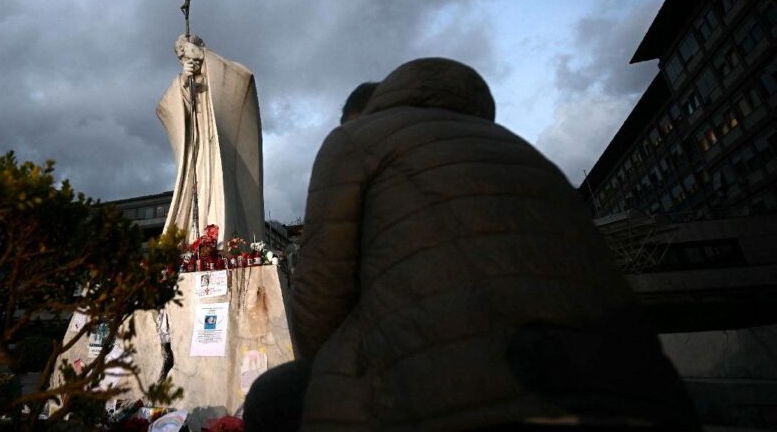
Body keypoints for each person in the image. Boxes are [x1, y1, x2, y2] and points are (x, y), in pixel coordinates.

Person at [256, 58, 698, 431]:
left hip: (462, 391)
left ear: (361, 114)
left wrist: (334, 370)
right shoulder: (525, 150)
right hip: (644, 392)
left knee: (274, 397)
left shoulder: (355, 139)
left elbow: (320, 294)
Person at [157, 33, 264, 244]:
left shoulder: (221, 73)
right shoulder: (182, 83)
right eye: (182, 58)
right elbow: (165, 109)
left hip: (218, 148)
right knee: (198, 186)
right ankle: (197, 240)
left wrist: (204, 56)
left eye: (190, 54)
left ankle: (222, 239)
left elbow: (245, 79)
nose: (187, 61)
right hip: (196, 151)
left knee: (218, 186)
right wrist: (184, 85)